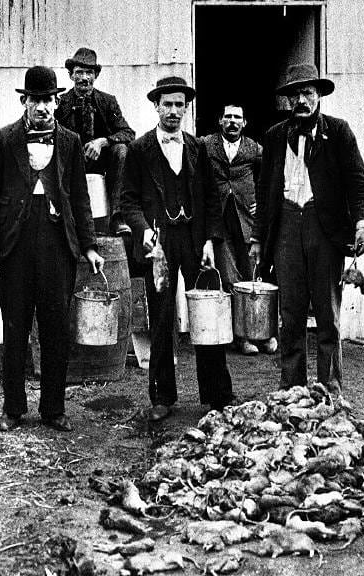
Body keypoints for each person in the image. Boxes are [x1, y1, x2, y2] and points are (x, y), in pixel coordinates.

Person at [0, 65, 104, 433]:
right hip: (14, 246)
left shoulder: (70, 141)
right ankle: (13, 408)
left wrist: (90, 246)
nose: (42, 107)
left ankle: (53, 408)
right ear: (25, 101)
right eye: (35, 100)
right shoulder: (4, 139)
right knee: (15, 327)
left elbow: (80, 198)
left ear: (56, 101)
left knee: (55, 330)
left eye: (48, 100)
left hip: (56, 245)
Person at [249, 63, 364, 392]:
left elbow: (358, 182)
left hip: (324, 227)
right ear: (288, 100)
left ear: (318, 96)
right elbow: (265, 190)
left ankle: (330, 391)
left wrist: (362, 223)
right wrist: (259, 238)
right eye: (295, 94)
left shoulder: (339, 132)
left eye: (308, 93)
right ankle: (293, 390)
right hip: (286, 227)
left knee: (327, 316)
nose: (301, 100)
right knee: (290, 315)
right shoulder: (275, 137)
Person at [120, 76, 232, 422]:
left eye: (179, 105)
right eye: (167, 104)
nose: (173, 111)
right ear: (156, 107)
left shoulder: (198, 147)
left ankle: (216, 395)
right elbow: (128, 201)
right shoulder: (140, 150)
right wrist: (143, 233)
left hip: (195, 241)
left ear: (187, 108)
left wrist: (212, 240)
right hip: (159, 246)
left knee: (207, 314)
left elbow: (213, 200)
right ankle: (162, 397)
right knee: (162, 318)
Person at [200, 103, 277, 356]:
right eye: (228, 117)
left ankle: (263, 334)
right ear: (220, 121)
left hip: (246, 218)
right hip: (220, 218)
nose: (232, 121)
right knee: (230, 277)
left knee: (254, 274)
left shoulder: (254, 148)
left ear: (244, 123)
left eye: (237, 118)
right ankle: (240, 337)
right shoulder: (205, 144)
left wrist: (263, 204)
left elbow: (272, 174)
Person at [56, 47, 135, 236]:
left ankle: (117, 217)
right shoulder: (60, 103)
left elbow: (128, 133)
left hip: (101, 164)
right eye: (79, 73)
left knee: (122, 150)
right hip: (70, 163)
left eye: (89, 73)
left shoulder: (107, 102)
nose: (84, 78)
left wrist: (102, 142)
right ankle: (60, 217)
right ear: (71, 75)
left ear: (96, 75)